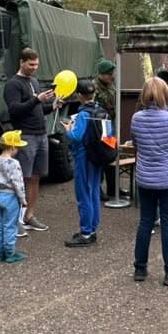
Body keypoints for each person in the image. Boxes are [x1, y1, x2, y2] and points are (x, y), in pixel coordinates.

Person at [130, 77, 168, 286]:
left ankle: (140, 268)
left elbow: (136, 145)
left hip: (145, 178)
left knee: (145, 222)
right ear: (166, 94)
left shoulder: (136, 118)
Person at [4, 48, 63, 234]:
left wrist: (51, 106)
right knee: (22, 178)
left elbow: (36, 109)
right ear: (21, 62)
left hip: (41, 134)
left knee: (36, 176)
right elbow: (14, 110)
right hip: (25, 135)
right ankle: (16, 220)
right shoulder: (13, 84)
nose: (34, 68)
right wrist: (37, 99)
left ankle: (29, 215)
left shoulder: (34, 82)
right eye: (31, 64)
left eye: (36, 65)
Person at [63, 79, 103, 247]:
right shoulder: (100, 110)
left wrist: (68, 129)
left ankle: (86, 233)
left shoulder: (83, 114)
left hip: (84, 157)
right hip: (97, 156)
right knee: (94, 192)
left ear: (79, 95)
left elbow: (76, 136)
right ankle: (92, 229)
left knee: (83, 194)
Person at [0, 130, 29, 264]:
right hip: (11, 197)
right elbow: (18, 183)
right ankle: (10, 253)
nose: (18, 149)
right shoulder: (14, 164)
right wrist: (23, 199)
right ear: (12, 147)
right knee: (10, 225)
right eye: (17, 147)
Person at [94, 58, 126, 201]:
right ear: (101, 74)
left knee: (111, 154)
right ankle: (98, 189)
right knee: (101, 156)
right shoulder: (94, 88)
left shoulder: (111, 86)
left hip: (109, 124)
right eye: (109, 73)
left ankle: (113, 188)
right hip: (99, 126)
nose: (112, 76)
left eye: (112, 73)